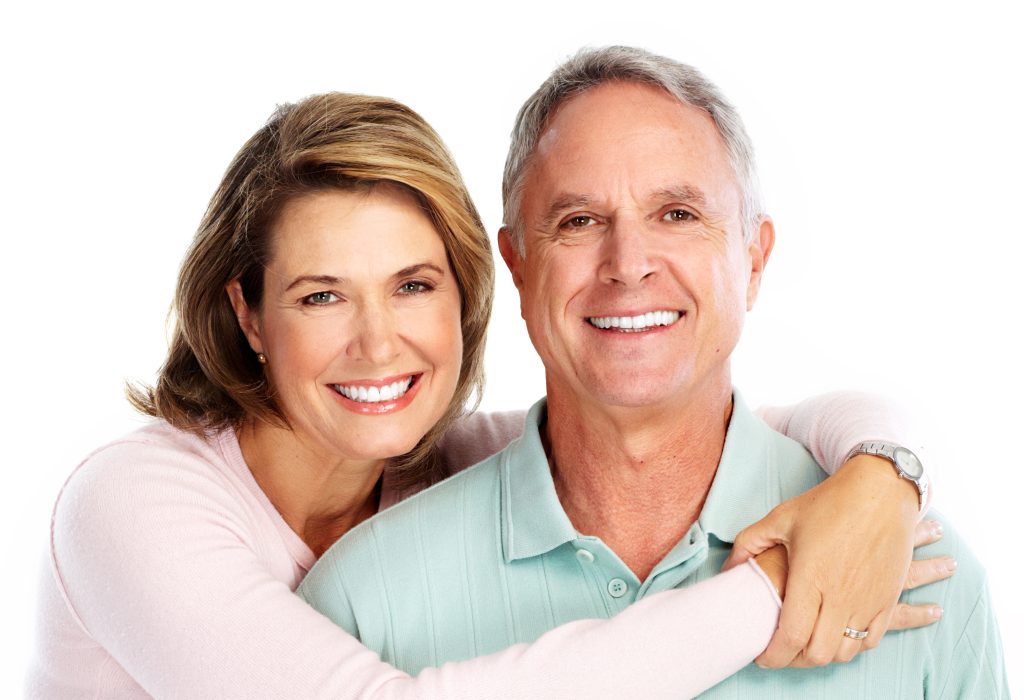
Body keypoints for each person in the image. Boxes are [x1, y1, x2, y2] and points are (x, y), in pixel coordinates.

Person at [28, 91, 948, 700]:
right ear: (248, 314)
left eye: (413, 285)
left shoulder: (435, 464)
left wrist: (881, 481)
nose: (378, 342)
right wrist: (784, 584)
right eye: (321, 296)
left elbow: (763, 426)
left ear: (468, 294)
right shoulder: (132, 504)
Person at [299, 48, 1009, 697]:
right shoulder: (361, 604)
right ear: (517, 267)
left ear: (753, 259)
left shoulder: (917, 575)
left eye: (677, 213)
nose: (629, 263)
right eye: (579, 221)